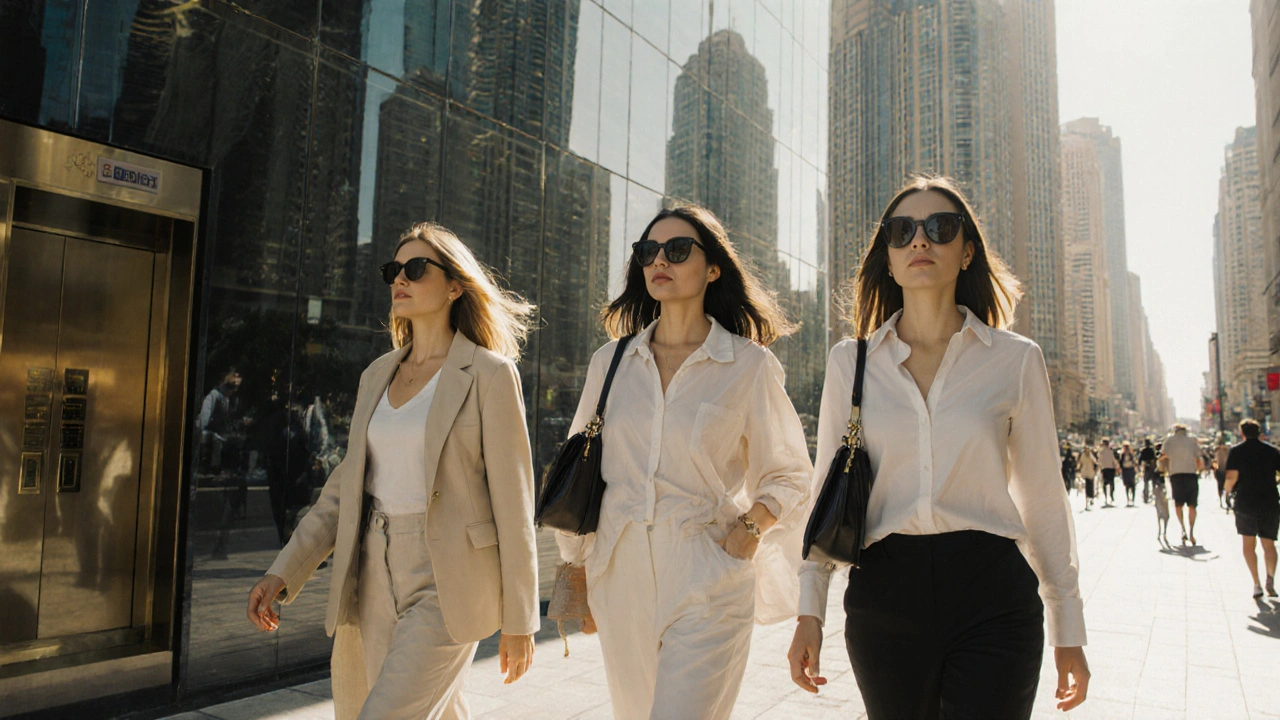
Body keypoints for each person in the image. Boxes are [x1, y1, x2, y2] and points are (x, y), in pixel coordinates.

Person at [786, 177, 1089, 718]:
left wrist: (1069, 626)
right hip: (884, 593)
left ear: (967, 250)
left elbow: (1043, 495)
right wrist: (810, 610)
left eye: (939, 228)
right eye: (902, 232)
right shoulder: (849, 363)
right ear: (888, 256)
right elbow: (823, 494)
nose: (920, 241)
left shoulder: (1014, 360)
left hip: (992, 591)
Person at [246, 223, 540, 720]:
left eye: (416, 268)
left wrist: (522, 617)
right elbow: (342, 492)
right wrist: (284, 571)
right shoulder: (377, 374)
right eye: (393, 270)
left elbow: (515, 501)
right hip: (372, 569)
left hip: (448, 578)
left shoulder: (489, 374)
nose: (399, 279)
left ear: (454, 286)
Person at [556, 205, 814, 720]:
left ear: (712, 268)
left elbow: (789, 472)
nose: (659, 261)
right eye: (649, 251)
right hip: (620, 575)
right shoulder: (610, 363)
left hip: (707, 574)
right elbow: (579, 464)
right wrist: (574, 567)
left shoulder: (747, 364)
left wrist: (748, 529)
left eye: (677, 250)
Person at [1224, 419, 1280, 598]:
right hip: (1269, 501)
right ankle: (1270, 577)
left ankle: (1256, 583)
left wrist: (1226, 491)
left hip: (1246, 501)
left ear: (1242, 433)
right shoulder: (1272, 451)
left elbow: (1232, 476)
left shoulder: (1236, 451)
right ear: (1259, 432)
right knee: (1269, 543)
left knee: (1248, 544)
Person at [1161, 424, 1204, 546]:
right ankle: (1191, 532)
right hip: (1191, 474)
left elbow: (1163, 455)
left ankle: (1183, 529)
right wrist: (1199, 470)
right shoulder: (1192, 440)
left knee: (1178, 504)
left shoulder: (1169, 440)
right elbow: (1198, 458)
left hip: (1176, 474)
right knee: (1192, 505)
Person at [1097, 439, 1118, 507]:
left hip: (1104, 468)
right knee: (1111, 483)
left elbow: (1099, 460)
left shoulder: (1101, 451)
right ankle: (1111, 495)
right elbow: (1113, 459)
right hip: (1110, 468)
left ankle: (1106, 497)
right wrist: (1117, 466)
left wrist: (1099, 467)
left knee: (1104, 484)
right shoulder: (1110, 450)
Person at [1214, 435, 1232, 512]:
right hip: (1224, 470)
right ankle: (1225, 498)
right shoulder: (1227, 449)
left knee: (1220, 485)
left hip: (1220, 470)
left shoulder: (1217, 450)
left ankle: (1223, 498)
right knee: (1225, 485)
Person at [1078, 445, 1098, 510]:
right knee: (1086, 487)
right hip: (1085, 472)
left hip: (1090, 472)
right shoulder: (1083, 455)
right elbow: (1080, 463)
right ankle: (1087, 501)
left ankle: (1091, 497)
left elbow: (1095, 461)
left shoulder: (1090, 455)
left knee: (1091, 486)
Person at [1119, 440, 1138, 507]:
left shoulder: (1131, 454)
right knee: (1126, 485)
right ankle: (1128, 498)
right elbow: (1120, 463)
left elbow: (1134, 462)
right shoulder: (1122, 455)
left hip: (1130, 469)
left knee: (1132, 485)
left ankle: (1133, 499)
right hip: (1125, 470)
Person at [1139, 438, 1158, 504]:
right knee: (1153, 482)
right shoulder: (1152, 450)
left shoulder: (1143, 450)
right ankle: (1154, 495)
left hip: (1146, 467)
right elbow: (1154, 458)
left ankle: (1146, 496)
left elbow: (1140, 459)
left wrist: (1139, 467)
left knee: (1146, 482)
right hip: (1152, 467)